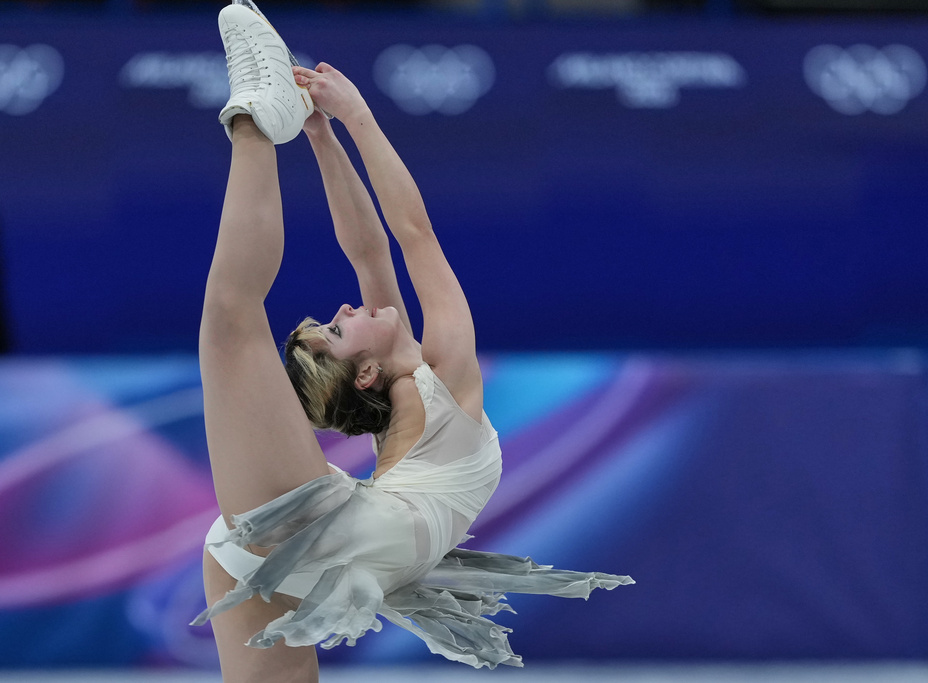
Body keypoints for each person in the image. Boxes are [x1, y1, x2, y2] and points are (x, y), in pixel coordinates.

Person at [192, 2, 633, 680]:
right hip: (344, 538)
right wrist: (350, 120)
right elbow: (407, 235)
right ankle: (255, 116)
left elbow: (370, 251)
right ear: (366, 371)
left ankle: (259, 119)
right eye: (338, 329)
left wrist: (324, 137)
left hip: (321, 540)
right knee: (229, 318)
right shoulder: (448, 382)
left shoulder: (419, 403)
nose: (346, 306)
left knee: (228, 321)